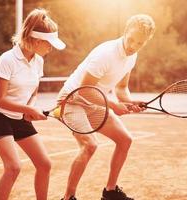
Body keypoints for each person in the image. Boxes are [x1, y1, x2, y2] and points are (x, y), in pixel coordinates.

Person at [58, 14, 155, 200]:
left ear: (146, 42)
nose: (133, 46)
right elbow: (84, 90)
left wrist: (131, 102)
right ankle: (68, 197)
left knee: (125, 140)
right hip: (72, 99)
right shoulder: (106, 53)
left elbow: (121, 88)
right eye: (131, 40)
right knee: (90, 145)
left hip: (94, 101)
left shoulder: (132, 57)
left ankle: (110, 192)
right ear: (125, 31)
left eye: (140, 43)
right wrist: (114, 106)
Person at [0, 8, 65, 200]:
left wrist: (30, 107)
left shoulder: (38, 61)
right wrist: (28, 109)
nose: (51, 48)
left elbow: (33, 91)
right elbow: (0, 99)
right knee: (13, 167)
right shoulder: (7, 60)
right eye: (49, 43)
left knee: (44, 164)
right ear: (36, 40)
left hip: (19, 116)